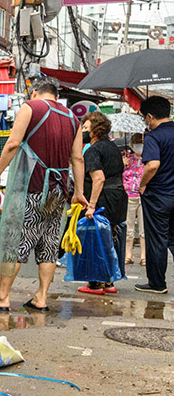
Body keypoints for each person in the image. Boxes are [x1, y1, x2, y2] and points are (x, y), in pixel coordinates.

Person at [0, 80, 87, 312]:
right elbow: (78, 159)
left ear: (35, 93)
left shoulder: (31, 107)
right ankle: (41, 297)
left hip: (32, 188)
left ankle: (2, 297)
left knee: (16, 243)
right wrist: (80, 193)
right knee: (49, 246)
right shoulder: (74, 120)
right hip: (59, 192)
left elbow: (13, 143)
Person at [78, 111, 127, 294]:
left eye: (85, 128)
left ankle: (95, 283)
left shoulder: (93, 150)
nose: (83, 131)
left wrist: (91, 206)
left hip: (103, 199)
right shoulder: (113, 148)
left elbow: (98, 178)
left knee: (95, 239)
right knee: (109, 240)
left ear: (95, 131)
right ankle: (109, 281)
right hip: (118, 197)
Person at [137, 96, 174, 293]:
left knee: (157, 240)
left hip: (158, 196)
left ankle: (157, 284)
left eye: (145, 118)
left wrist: (142, 184)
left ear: (150, 116)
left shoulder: (153, 136)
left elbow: (152, 165)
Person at [122, 131, 146, 266]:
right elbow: (121, 176)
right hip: (129, 196)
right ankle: (128, 255)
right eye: (137, 143)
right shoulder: (127, 159)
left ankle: (144, 256)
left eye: (141, 143)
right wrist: (123, 165)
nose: (139, 146)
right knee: (129, 228)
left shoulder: (149, 159)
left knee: (144, 229)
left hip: (143, 196)